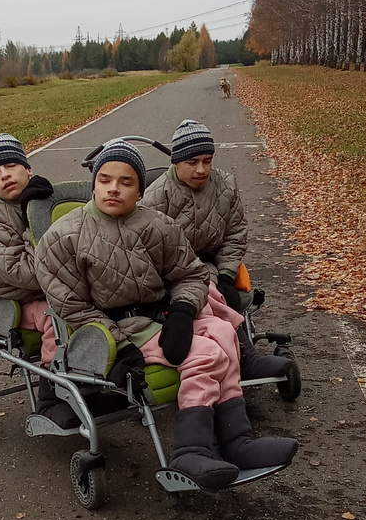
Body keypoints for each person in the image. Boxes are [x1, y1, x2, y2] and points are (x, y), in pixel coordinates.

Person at [34, 138, 298, 489]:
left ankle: (237, 442)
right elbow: (71, 306)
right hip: (116, 327)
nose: (114, 188)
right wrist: (117, 345)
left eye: (126, 182)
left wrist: (183, 311)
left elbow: (190, 274)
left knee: (224, 332)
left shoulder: (157, 224)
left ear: (140, 191)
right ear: (94, 184)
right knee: (206, 354)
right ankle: (190, 452)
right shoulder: (62, 237)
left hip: (160, 314)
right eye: (105, 180)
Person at [143, 119, 292, 381]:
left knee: (212, 286)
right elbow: (145, 250)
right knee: (205, 292)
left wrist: (226, 275)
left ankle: (230, 356)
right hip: (171, 271)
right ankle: (244, 358)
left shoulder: (225, 186)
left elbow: (235, 235)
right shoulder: (155, 197)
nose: (201, 169)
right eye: (192, 162)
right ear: (176, 162)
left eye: (207, 161)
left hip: (209, 263)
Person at [0, 133, 75, 426]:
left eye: (11, 165)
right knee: (57, 315)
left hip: (58, 287)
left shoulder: (48, 202)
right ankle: (51, 397)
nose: (5, 175)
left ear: (28, 169)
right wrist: (32, 223)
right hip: (18, 299)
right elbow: (29, 275)